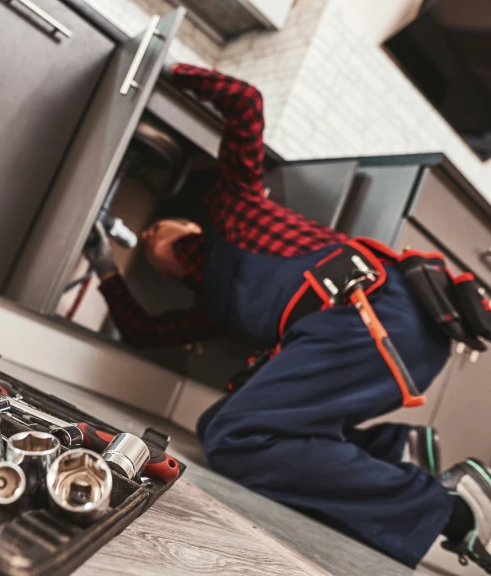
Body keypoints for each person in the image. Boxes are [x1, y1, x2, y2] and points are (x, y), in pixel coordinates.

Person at [84, 63, 491, 572]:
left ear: (189, 223)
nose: (147, 239)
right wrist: (104, 267)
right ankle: (394, 452)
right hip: (379, 336)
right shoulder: (210, 310)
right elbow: (144, 331)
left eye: (153, 231)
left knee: (236, 435)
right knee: (227, 424)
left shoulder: (236, 207)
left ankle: (450, 509)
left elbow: (244, 102)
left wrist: (163, 70)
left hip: (374, 312)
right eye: (145, 248)